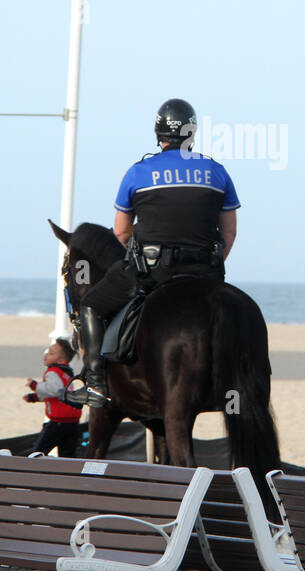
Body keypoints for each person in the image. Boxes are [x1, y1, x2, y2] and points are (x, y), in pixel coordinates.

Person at [64, 98, 240, 408]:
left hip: (151, 272)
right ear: (192, 133)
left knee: (91, 303)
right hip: (205, 273)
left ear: (159, 135)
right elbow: (229, 233)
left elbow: (120, 232)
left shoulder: (138, 172)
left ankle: (95, 385)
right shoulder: (217, 172)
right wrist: (209, 266)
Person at [23, 339, 83, 456]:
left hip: (58, 422)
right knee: (68, 455)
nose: (46, 355)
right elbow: (57, 394)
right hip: (72, 422)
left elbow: (54, 390)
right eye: (47, 352)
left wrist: (34, 385)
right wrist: (34, 397)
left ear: (61, 360)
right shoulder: (66, 373)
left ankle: (30, 470)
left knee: (38, 452)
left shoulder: (53, 371)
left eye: (51, 353)